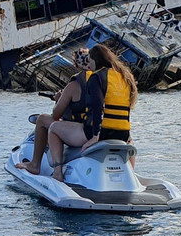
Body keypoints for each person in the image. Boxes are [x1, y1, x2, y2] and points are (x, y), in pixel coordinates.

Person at [47, 43, 138, 182]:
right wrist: (127, 137)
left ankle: (57, 173)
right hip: (123, 134)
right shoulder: (125, 78)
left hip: (100, 133)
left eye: (89, 61)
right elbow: (126, 111)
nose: (89, 65)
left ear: (96, 60)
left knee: (53, 128)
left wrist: (95, 136)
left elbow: (97, 108)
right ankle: (131, 176)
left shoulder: (96, 77)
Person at [14, 48, 89, 175]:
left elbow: (56, 115)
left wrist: (59, 99)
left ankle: (35, 164)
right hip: (95, 129)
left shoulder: (73, 86)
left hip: (79, 130)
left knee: (43, 118)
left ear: (76, 64)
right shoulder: (100, 81)